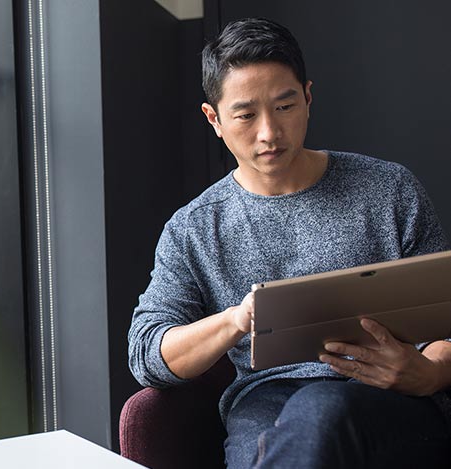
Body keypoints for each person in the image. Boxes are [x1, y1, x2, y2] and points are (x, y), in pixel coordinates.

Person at [128, 17, 451, 468]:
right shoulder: (195, 229)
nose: (269, 133)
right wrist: (237, 320)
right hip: (265, 403)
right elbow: (147, 354)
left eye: (285, 106)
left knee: (319, 410)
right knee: (275, 434)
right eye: (245, 115)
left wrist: (430, 371)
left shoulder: (389, 189)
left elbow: (446, 313)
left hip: (387, 399)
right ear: (214, 119)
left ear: (308, 97)